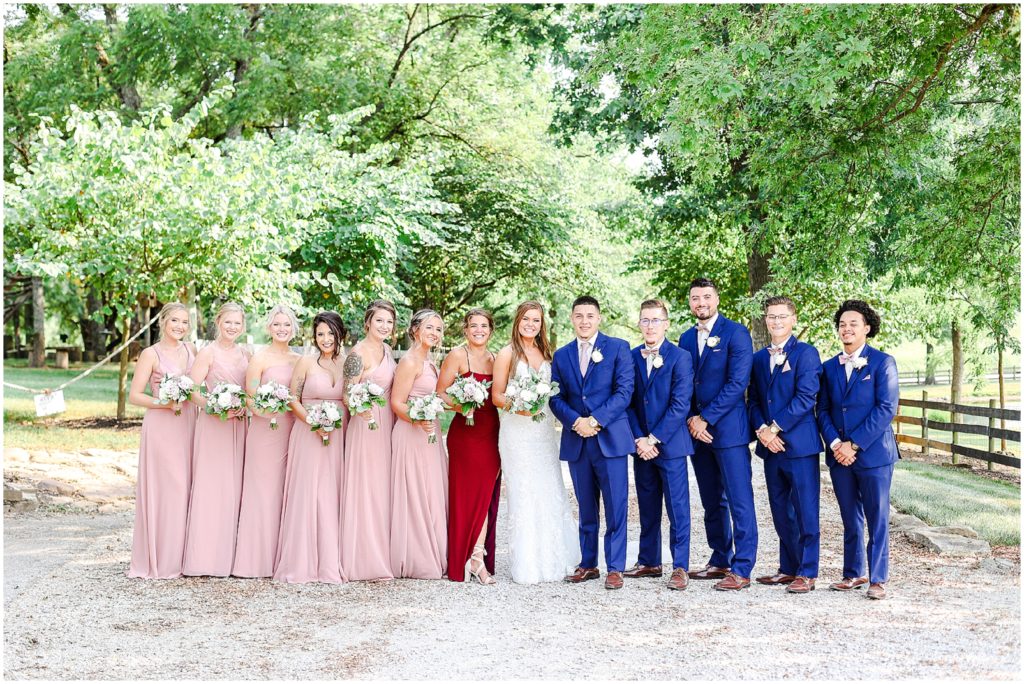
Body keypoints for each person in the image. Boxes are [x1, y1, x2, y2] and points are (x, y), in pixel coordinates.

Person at [550, 295, 635, 590]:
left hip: (609, 439)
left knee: (616, 506)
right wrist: (576, 422)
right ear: (571, 319)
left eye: (590, 315)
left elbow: (624, 392)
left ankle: (615, 567)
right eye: (579, 315)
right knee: (586, 507)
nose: (584, 321)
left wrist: (595, 421)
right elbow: (555, 396)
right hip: (578, 441)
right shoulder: (561, 356)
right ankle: (588, 563)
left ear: (598, 318)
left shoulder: (618, 348)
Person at [677, 277, 757, 591]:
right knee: (712, 500)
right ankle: (720, 557)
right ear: (690, 302)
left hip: (729, 432)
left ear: (717, 299)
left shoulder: (736, 333)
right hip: (697, 434)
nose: (701, 304)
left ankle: (742, 567)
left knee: (740, 500)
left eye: (706, 297)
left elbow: (738, 384)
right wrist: (690, 420)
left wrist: (705, 418)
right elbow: (682, 383)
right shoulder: (685, 338)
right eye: (695, 298)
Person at [817, 299, 899, 600]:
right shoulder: (828, 367)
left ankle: (878, 578)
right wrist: (837, 444)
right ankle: (853, 573)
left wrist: (855, 444)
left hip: (874, 454)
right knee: (850, 516)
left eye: (853, 323)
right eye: (842, 324)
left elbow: (886, 408)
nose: (846, 328)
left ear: (867, 328)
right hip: (840, 456)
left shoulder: (883, 363)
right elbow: (822, 410)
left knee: (877, 516)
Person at [492, 301, 579, 584]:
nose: (531, 324)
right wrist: (520, 407)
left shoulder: (546, 352)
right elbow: (496, 395)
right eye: (527, 319)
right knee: (524, 493)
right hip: (517, 433)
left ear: (542, 324)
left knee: (549, 488)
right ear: (518, 321)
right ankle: (528, 564)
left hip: (542, 434)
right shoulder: (507, 354)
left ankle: (557, 557)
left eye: (537, 320)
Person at [748, 296, 823, 594]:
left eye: (782, 316)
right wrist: (761, 431)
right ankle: (788, 567)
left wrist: (775, 427)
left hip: (799, 445)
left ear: (793, 319)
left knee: (805, 509)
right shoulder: (757, 359)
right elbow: (753, 400)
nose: (776, 321)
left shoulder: (806, 354)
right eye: (771, 316)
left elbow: (806, 397)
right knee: (780, 509)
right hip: (769, 445)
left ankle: (808, 571)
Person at [624, 298, 694, 591]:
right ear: (639, 324)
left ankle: (680, 567)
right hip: (642, 447)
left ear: (666, 324)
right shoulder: (630, 356)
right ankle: (649, 561)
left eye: (655, 320)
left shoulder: (680, 357)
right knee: (647, 505)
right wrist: (640, 438)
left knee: (678, 508)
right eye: (645, 320)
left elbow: (680, 405)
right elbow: (626, 401)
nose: (650, 326)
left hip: (671, 445)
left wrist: (654, 438)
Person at [273, 311, 347, 584]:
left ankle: (329, 560)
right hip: (308, 431)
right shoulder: (305, 362)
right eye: (320, 334)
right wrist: (314, 421)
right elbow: (293, 398)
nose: (325, 339)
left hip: (338, 433)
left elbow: (351, 397)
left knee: (331, 492)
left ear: (340, 334)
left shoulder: (347, 364)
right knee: (308, 492)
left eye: (330, 333)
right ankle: (300, 562)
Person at [127, 302, 198, 579]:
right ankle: (161, 559)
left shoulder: (191, 350)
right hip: (162, 425)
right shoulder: (150, 353)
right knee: (169, 488)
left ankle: (183, 557)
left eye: (184, 322)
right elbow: (135, 396)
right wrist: (164, 403)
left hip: (189, 421)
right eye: (175, 321)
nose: (180, 326)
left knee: (187, 486)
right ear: (163, 321)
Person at [232, 304, 301, 578]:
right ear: (269, 328)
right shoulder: (259, 359)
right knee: (263, 490)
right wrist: (264, 410)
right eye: (277, 324)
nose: (282, 329)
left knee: (287, 489)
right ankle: (255, 560)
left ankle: (283, 557)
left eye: (287, 325)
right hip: (265, 430)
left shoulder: (299, 360)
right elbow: (249, 398)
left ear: (294, 329)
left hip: (292, 429)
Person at [183, 303, 250, 577]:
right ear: (218, 322)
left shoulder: (246, 353)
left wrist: (244, 405)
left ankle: (230, 557)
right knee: (212, 487)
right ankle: (204, 558)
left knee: (235, 486)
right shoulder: (207, 353)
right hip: (213, 427)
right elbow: (191, 390)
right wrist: (213, 405)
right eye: (228, 322)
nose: (232, 327)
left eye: (237, 323)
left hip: (238, 426)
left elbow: (250, 389)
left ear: (242, 326)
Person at [439, 308, 502, 584]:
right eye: (473, 325)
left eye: (484, 326)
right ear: (465, 329)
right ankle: (472, 558)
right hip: (465, 434)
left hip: (491, 434)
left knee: (486, 495)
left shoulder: (496, 359)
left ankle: (478, 556)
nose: (479, 330)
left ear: (491, 330)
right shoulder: (456, 355)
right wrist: (462, 405)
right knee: (466, 496)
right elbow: (440, 393)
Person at [341, 299, 398, 581]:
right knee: (365, 485)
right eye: (379, 321)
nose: (384, 326)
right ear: (368, 322)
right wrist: (360, 409)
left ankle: (382, 550)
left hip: (386, 420)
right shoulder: (357, 353)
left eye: (389, 322)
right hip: (365, 424)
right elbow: (347, 393)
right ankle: (362, 556)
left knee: (381, 486)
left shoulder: (387, 350)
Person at [390, 309, 449, 579]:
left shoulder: (430, 362)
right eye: (429, 327)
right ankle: (416, 557)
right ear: (415, 330)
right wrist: (418, 418)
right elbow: (397, 403)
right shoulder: (410, 361)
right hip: (411, 433)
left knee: (431, 490)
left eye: (438, 329)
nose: (434, 333)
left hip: (429, 433)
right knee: (415, 491)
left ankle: (433, 551)